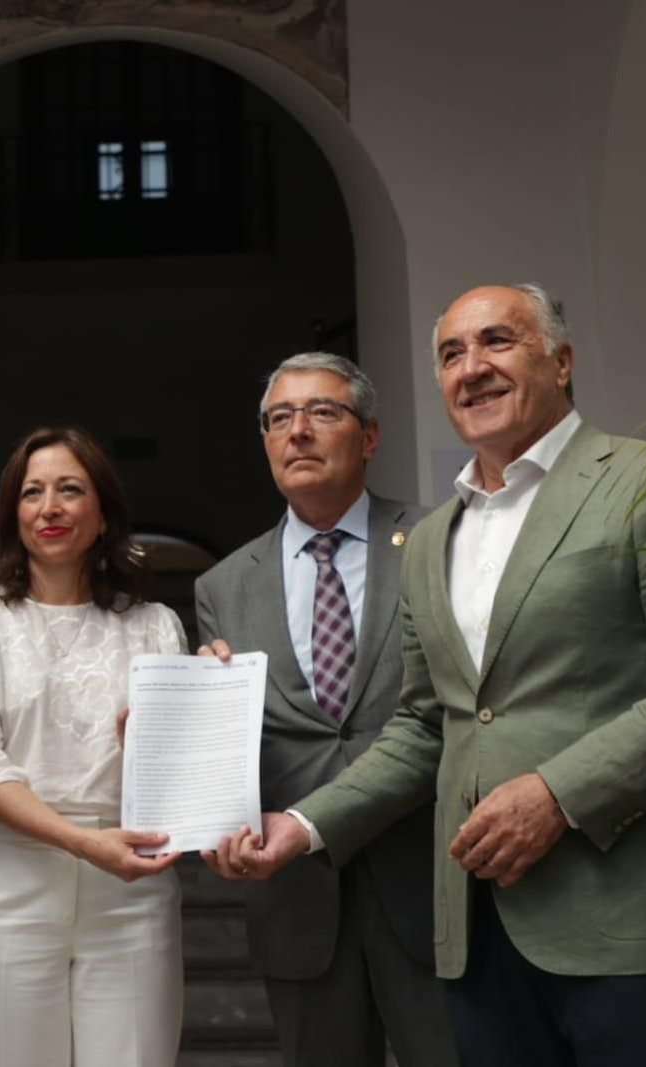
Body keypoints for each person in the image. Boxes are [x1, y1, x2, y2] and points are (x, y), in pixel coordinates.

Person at [225, 284, 646, 1067]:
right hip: (477, 934)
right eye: (451, 353)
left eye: (497, 341)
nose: (472, 367)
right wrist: (306, 824)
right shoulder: (430, 539)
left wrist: (558, 792)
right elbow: (427, 723)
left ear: (562, 361)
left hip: (634, 925)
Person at [194, 352, 457, 1066]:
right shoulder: (223, 585)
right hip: (298, 898)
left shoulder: (439, 539)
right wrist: (184, 739)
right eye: (279, 418)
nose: (298, 431)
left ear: (369, 436)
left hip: (430, 879)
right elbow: (233, 744)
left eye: (322, 412)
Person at [0, 426, 189, 1067]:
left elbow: (179, 776)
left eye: (70, 490)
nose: (50, 507)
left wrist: (201, 709)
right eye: (32, 492)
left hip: (131, 887)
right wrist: (81, 843)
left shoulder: (155, 626)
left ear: (102, 514)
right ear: (11, 513)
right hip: (8, 884)